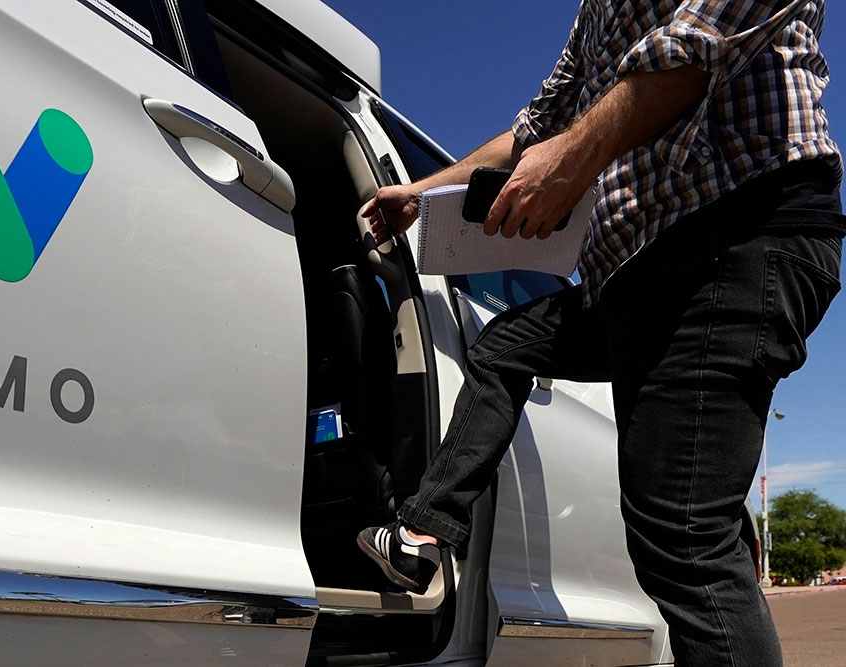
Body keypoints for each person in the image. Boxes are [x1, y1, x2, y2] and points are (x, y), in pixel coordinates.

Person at [354, 1, 843, 664]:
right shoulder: (593, 14)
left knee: (685, 536)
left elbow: (703, 35)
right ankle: (425, 530)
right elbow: (535, 128)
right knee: (506, 344)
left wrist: (576, 155)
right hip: (633, 280)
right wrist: (422, 190)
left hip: (731, 233)